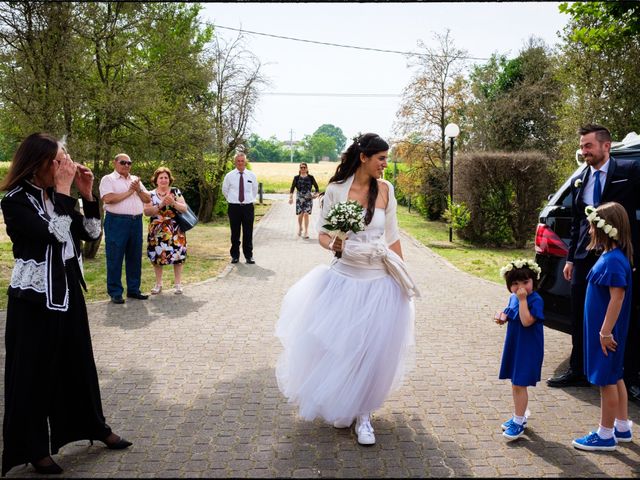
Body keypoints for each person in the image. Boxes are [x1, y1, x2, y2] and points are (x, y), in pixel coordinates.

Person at [0, 133, 132, 476]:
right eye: (60, 161)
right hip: (34, 300)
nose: (67, 166)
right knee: (33, 374)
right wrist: (63, 193)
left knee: (78, 364)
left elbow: (89, 233)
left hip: (68, 291)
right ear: (40, 163)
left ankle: (94, 426)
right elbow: (54, 232)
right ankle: (33, 448)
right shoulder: (15, 201)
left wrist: (86, 197)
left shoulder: (57, 196)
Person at [275, 133, 419, 446]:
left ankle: (364, 415)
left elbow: (393, 237)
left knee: (371, 350)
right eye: (381, 158)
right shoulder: (337, 190)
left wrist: (403, 278)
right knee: (343, 348)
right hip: (344, 280)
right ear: (364, 157)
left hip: (379, 281)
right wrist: (337, 246)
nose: (385, 164)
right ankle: (345, 402)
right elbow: (324, 236)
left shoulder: (386, 190)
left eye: (386, 158)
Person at [548, 124, 640, 394]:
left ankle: (630, 376)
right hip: (584, 256)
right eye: (582, 146)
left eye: (588, 146)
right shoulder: (582, 178)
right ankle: (578, 369)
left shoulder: (629, 172)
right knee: (581, 314)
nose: (583, 151)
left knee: (625, 314)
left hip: (616, 256)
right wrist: (570, 259)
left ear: (606, 146)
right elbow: (578, 220)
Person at [572, 202, 634, 451]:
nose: (589, 232)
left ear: (605, 229)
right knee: (615, 376)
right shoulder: (611, 257)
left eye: (592, 227)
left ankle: (605, 435)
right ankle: (621, 426)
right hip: (604, 332)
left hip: (606, 334)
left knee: (606, 381)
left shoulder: (614, 261)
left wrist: (605, 332)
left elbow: (617, 297)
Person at [494, 259, 544, 441]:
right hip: (515, 345)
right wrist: (502, 317)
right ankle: (519, 415)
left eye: (525, 282)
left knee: (519, 384)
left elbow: (526, 321)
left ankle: (519, 420)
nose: (520, 287)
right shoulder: (513, 297)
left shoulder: (535, 299)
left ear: (533, 281)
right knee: (515, 383)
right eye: (515, 284)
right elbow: (510, 311)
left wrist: (522, 299)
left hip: (528, 348)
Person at [99, 153, 152, 304]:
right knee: (115, 257)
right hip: (117, 221)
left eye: (129, 163)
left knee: (134, 257)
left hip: (136, 221)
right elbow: (108, 199)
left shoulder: (135, 180)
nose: (127, 165)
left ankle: (134, 289)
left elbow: (148, 199)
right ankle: (115, 292)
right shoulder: (108, 179)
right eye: (123, 162)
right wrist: (130, 191)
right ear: (115, 163)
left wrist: (138, 190)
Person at [143, 167, 189, 295]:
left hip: (175, 230)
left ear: (170, 180)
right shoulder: (150, 194)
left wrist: (173, 202)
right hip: (157, 231)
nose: (163, 180)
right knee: (157, 258)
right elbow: (147, 212)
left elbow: (184, 208)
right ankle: (158, 284)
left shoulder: (175, 191)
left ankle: (178, 284)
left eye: (166, 178)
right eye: (161, 178)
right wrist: (161, 204)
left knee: (177, 257)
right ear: (156, 180)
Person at [222, 151, 258, 264]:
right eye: (238, 161)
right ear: (235, 162)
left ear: (245, 162)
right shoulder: (229, 176)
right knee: (235, 232)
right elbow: (225, 190)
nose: (240, 163)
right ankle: (235, 256)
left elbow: (254, 190)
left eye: (242, 161)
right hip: (234, 207)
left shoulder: (251, 175)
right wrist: (232, 200)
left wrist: (248, 200)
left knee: (248, 232)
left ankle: (249, 256)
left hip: (248, 207)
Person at [288, 162, 320, 239]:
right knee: (300, 214)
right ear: (299, 169)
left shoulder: (311, 177)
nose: (303, 169)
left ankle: (306, 231)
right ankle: (300, 227)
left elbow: (317, 188)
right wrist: (291, 197)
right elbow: (292, 188)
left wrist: (316, 194)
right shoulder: (296, 178)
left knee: (306, 214)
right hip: (299, 198)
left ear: (307, 168)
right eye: (301, 167)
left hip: (308, 197)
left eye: (304, 167)